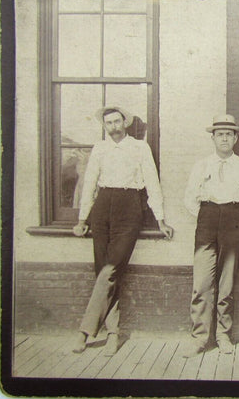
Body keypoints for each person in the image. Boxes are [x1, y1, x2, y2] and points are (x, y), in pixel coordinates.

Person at [72, 106, 174, 355]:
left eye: (118, 121)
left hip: (129, 207)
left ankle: (84, 332)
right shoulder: (99, 149)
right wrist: (82, 217)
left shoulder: (139, 147)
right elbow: (89, 184)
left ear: (125, 124)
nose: (114, 127)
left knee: (111, 268)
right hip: (103, 206)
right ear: (104, 126)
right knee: (104, 272)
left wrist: (160, 219)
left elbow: (152, 182)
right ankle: (113, 334)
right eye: (109, 123)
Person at [183, 114, 239, 357]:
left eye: (229, 134)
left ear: (236, 138)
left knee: (226, 284)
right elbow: (189, 199)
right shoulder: (201, 165)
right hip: (207, 220)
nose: (224, 138)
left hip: (234, 221)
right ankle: (199, 337)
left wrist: (236, 219)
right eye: (220, 134)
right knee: (202, 283)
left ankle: (223, 336)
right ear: (213, 138)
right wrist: (208, 215)